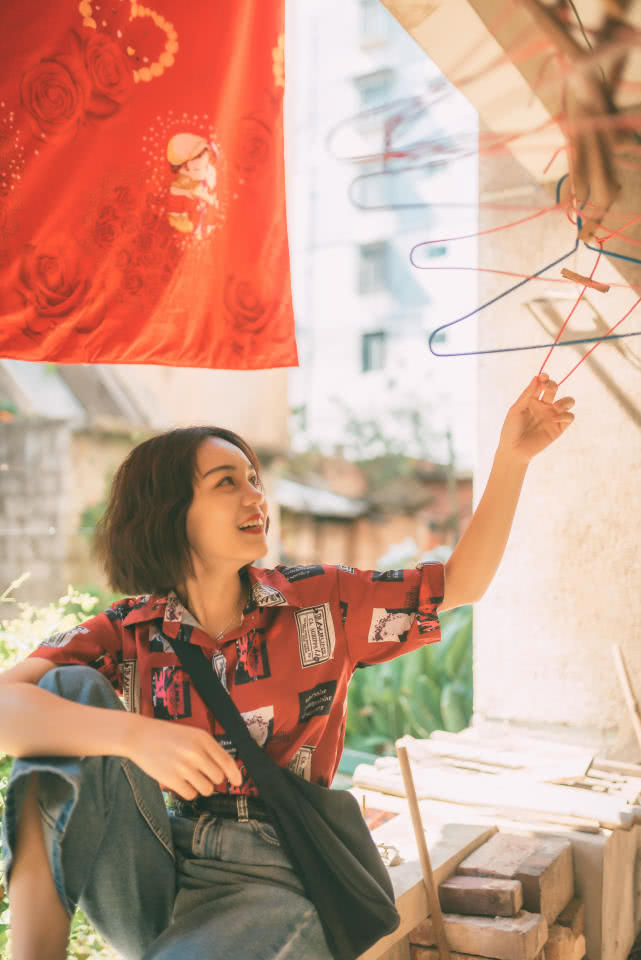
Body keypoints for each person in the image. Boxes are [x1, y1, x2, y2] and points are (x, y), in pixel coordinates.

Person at [0, 373, 575, 960]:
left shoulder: (322, 601)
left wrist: (511, 460)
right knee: (64, 691)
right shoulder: (131, 630)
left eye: (254, 480)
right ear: (172, 512)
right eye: (228, 483)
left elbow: (458, 585)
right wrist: (134, 736)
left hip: (279, 876)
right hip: (157, 872)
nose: (256, 497)